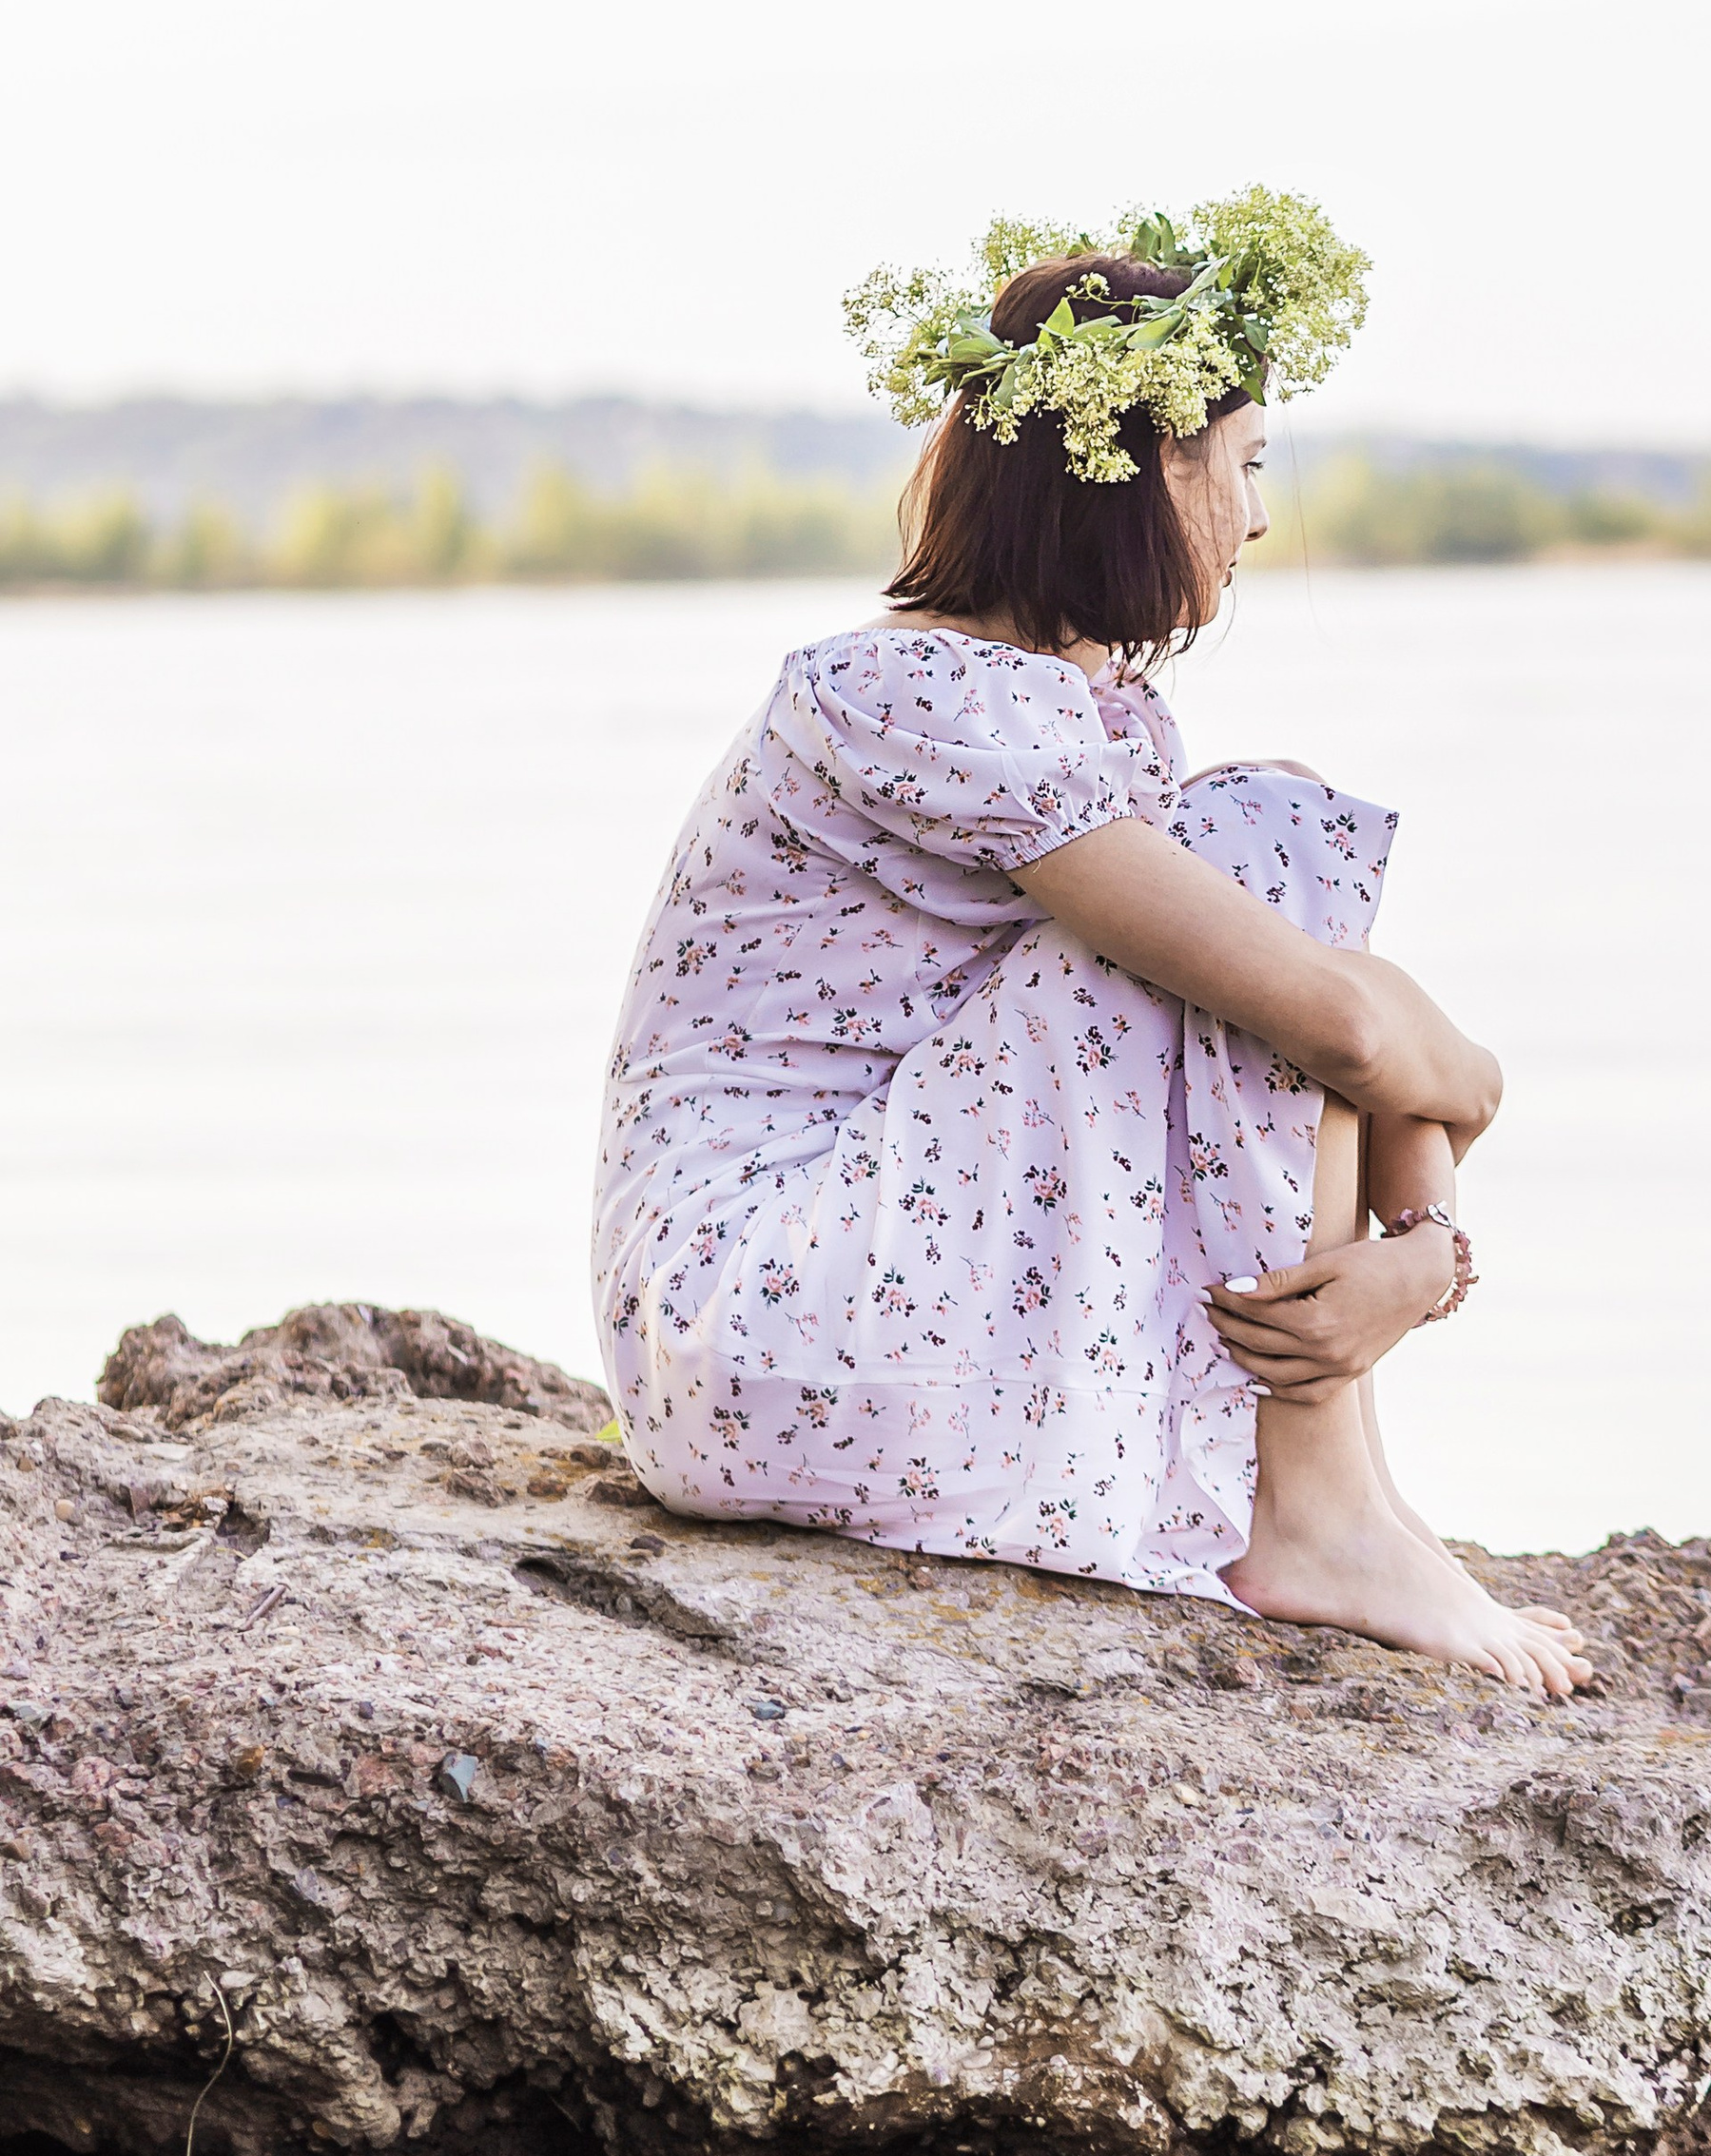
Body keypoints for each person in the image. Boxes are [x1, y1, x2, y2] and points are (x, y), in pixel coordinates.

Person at [593, 193, 1586, 1696]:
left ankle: (1346, 1498)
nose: (1259, 519)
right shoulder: (916, 698)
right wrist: (1474, 1081)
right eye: (1244, 468)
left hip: (804, 1329)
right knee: (1259, 835)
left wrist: (1423, 1244)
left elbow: (1298, 1014)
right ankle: (1312, 1511)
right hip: (768, 1314)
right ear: (1137, 477)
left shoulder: (1070, 709)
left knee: (1258, 845)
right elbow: (1343, 1030)